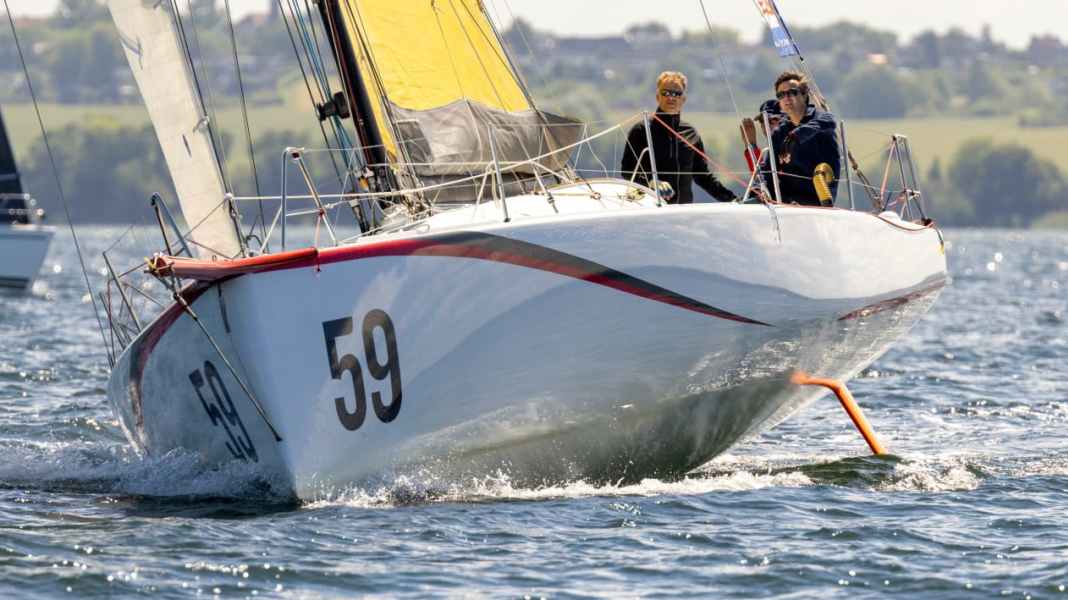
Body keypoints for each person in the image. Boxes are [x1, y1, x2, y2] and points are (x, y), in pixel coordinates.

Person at [620, 71, 736, 204]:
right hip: (650, 210)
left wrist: (732, 199)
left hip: (682, 214)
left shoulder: (691, 133)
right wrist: (652, 182)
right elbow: (627, 171)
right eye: (666, 93)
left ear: (683, 99)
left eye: (677, 93)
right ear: (658, 97)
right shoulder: (641, 130)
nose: (671, 97)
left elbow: (703, 177)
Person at [761, 70, 841, 206]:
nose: (786, 98)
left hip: (819, 200)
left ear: (804, 95)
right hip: (788, 203)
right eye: (781, 95)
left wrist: (796, 135)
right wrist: (760, 189)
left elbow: (830, 121)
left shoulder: (820, 118)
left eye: (792, 92)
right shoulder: (779, 134)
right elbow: (768, 171)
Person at [740, 99, 783, 174]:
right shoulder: (771, 149)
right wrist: (751, 145)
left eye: (772, 120)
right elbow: (761, 179)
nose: (766, 125)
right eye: (762, 121)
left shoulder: (794, 143)